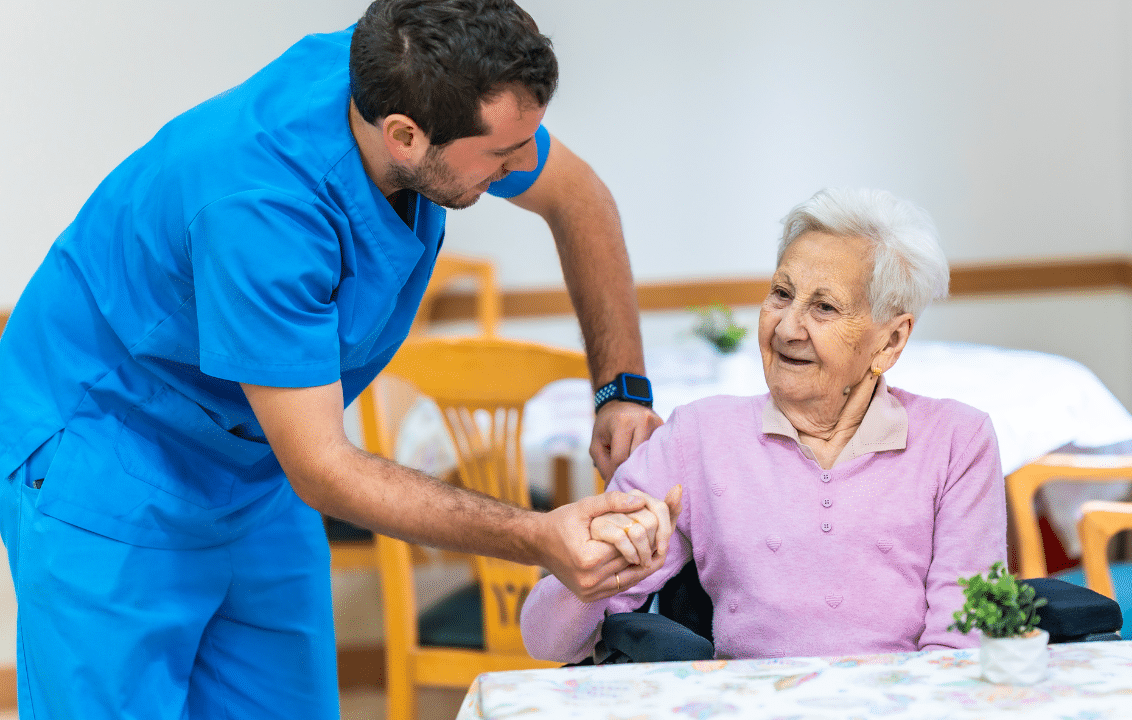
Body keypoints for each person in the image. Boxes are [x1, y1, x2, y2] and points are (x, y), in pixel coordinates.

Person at [0, 1, 675, 717]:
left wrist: (620, 389)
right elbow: (324, 466)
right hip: (107, 454)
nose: (522, 165)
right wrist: (537, 536)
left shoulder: (406, 71)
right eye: (503, 155)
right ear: (406, 137)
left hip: (253, 463)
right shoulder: (260, 207)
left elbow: (579, 197)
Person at [521, 188, 1008, 662]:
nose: (787, 327)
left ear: (890, 341)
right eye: (781, 293)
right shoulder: (698, 437)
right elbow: (547, 641)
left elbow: (964, 649)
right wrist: (600, 568)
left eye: (824, 307)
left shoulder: (957, 441)